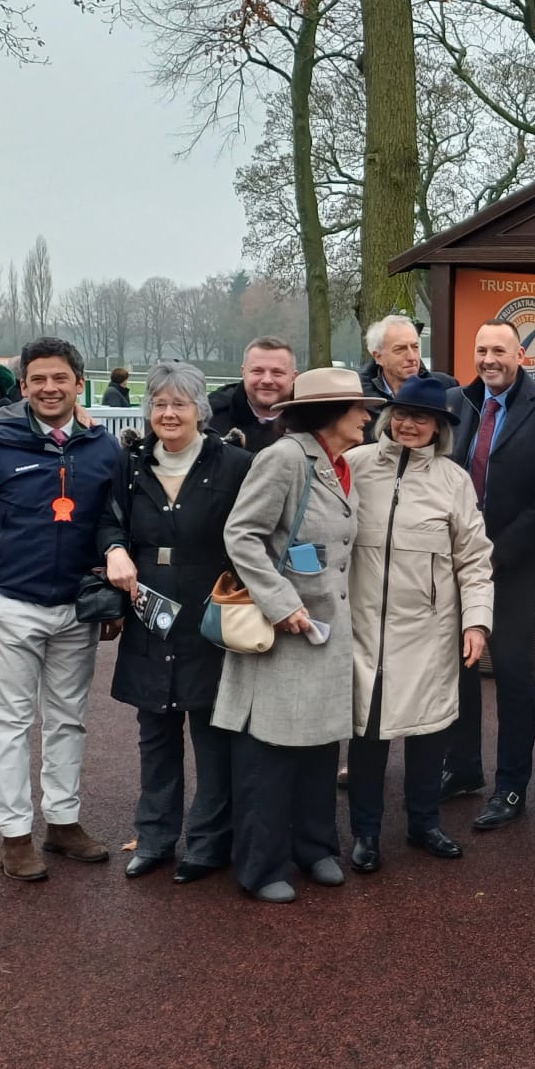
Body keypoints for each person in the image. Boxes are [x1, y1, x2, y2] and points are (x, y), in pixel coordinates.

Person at [0, 336, 127, 881]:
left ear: (80, 384)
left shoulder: (105, 449)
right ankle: (15, 835)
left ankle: (63, 821)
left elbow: (115, 526)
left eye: (61, 379)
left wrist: (112, 599)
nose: (49, 388)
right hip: (8, 606)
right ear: (23, 386)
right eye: (38, 380)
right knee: (7, 724)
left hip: (76, 608)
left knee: (68, 720)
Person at [213, 368, 379, 901]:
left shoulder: (338, 465)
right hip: (285, 633)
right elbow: (242, 534)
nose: (367, 415)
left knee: (319, 748)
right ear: (330, 412)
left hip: (326, 633)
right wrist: (282, 604)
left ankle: (316, 848)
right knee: (272, 752)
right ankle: (262, 866)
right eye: (358, 407)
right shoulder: (285, 458)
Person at [97, 362, 253, 882]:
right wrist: (115, 547)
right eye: (159, 403)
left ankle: (209, 842)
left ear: (200, 412)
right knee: (156, 729)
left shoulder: (233, 464)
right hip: (151, 609)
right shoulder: (131, 464)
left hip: (209, 608)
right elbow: (106, 520)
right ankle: (156, 836)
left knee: (210, 729)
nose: (168, 413)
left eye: (180, 404)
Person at [343, 375, 495, 871]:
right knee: (368, 738)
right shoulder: (354, 466)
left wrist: (477, 623)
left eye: (422, 418)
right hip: (366, 628)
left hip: (430, 631)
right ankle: (365, 832)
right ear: (389, 417)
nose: (409, 425)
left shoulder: (453, 481)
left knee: (430, 734)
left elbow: (474, 559)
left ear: (439, 428)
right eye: (403, 415)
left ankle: (424, 822)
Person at [449, 320, 535, 829]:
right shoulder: (457, 403)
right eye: (481, 349)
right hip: (454, 562)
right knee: (458, 670)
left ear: (521, 354)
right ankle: (463, 769)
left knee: (514, 675)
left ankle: (511, 787)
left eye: (499, 349)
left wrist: (494, 553)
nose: (489, 358)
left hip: (515, 565)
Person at [208, 336, 298, 453]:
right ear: (243, 373)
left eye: (277, 373)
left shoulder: (314, 421)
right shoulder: (210, 417)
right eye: (257, 371)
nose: (267, 380)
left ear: (294, 377)